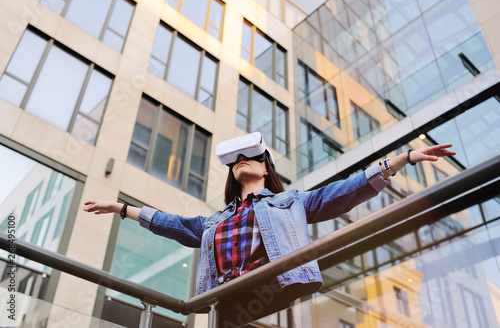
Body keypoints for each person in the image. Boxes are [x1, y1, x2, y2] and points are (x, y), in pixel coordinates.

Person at [84, 132, 455, 327]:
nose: (242, 161)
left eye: (251, 157)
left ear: (266, 168)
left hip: (275, 291)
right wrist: (123, 208)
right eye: (235, 161)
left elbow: (345, 191)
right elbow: (174, 225)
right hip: (228, 302)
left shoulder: (291, 202)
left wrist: (400, 160)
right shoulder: (214, 222)